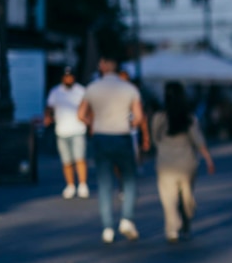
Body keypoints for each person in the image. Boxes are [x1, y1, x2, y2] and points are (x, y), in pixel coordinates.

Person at [78, 55, 145, 244]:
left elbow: (81, 114)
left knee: (105, 183)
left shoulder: (92, 88)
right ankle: (126, 218)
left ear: (102, 65)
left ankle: (107, 227)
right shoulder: (130, 88)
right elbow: (138, 118)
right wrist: (128, 123)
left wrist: (93, 123)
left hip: (101, 136)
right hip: (122, 136)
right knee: (129, 180)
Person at [151, 81, 215, 244]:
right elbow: (198, 141)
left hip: (165, 162)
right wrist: (208, 159)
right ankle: (186, 224)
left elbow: (154, 138)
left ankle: (172, 229)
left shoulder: (159, 117)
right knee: (187, 196)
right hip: (187, 163)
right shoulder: (189, 118)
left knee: (168, 198)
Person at [44, 67, 89, 199]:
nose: (69, 79)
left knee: (80, 158)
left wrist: (88, 120)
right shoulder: (56, 91)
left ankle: (82, 184)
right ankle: (70, 185)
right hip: (62, 130)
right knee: (67, 161)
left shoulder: (81, 91)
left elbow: (88, 107)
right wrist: (48, 118)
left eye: (71, 76)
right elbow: (49, 107)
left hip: (78, 129)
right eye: (66, 76)